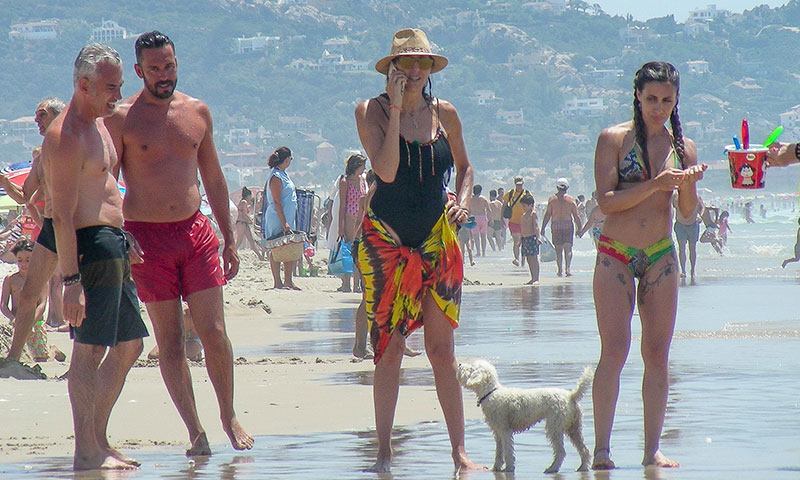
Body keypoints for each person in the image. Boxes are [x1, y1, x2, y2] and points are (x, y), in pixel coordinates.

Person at [104, 31, 252, 456]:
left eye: (169, 66)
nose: (164, 75)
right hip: (146, 240)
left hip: (196, 232)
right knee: (169, 342)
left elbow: (215, 178)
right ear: (139, 71)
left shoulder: (197, 111)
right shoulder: (122, 117)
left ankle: (228, 415)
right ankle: (195, 432)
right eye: (154, 69)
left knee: (214, 331)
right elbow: (108, 182)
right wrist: (120, 233)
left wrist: (228, 236)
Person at [354, 28, 482, 473]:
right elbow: (386, 172)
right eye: (405, 63)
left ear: (430, 70)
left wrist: (463, 203)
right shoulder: (370, 111)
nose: (413, 71)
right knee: (389, 349)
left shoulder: (445, 114)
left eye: (421, 63)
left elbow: (466, 169)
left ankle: (459, 452)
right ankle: (384, 452)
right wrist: (393, 108)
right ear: (390, 68)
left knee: (441, 350)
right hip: (386, 241)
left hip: (437, 240)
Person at [591, 61, 705, 470]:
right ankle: (602, 449)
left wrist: (688, 183)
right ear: (637, 96)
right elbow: (606, 201)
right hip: (615, 253)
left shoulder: (682, 147)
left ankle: (651, 447)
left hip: (660, 254)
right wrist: (656, 184)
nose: (658, 107)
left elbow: (688, 215)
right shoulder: (613, 139)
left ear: (676, 101)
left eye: (667, 100)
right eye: (651, 98)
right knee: (615, 351)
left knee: (657, 354)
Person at [46, 43, 150, 470]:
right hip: (88, 249)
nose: (118, 96)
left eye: (121, 87)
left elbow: (106, 191)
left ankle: (98, 438)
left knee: (130, 344)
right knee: (88, 350)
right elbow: (63, 217)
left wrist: (125, 234)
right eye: (111, 88)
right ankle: (85, 450)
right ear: (84, 85)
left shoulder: (101, 126)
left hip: (113, 243)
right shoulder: (66, 137)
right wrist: (70, 283)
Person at [0, 97, 68, 336]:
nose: (37, 120)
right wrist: (6, 183)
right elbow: (25, 197)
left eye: (42, 115)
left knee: (69, 284)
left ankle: (61, 326)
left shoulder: (74, 146)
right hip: (51, 226)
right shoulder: (41, 155)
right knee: (35, 288)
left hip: (73, 225)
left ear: (57, 116)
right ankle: (15, 356)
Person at [0, 239, 64, 362]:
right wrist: (13, 318)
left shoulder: (41, 280)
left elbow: (42, 304)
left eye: (28, 260)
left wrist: (31, 322)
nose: (23, 264)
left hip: (36, 324)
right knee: (17, 355)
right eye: (20, 260)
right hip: (17, 323)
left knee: (41, 358)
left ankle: (52, 351)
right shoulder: (11, 280)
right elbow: (3, 305)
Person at [262, 146, 299, 290]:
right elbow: (277, 201)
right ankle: (277, 281)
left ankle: (288, 280)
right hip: (278, 217)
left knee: (290, 246)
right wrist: (284, 223)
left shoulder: (283, 174)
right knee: (276, 247)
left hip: (288, 216)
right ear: (287, 159)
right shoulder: (276, 176)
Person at [337, 154, 367, 293]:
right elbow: (342, 205)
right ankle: (347, 283)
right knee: (349, 249)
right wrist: (340, 226)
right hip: (349, 217)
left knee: (358, 251)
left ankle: (357, 284)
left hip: (360, 217)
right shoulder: (345, 181)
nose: (364, 168)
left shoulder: (362, 180)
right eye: (362, 165)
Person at [541, 178, 582, 277]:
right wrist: (579, 228)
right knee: (568, 249)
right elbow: (576, 216)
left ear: (557, 187)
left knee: (558, 249)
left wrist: (543, 228)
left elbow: (548, 214)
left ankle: (559, 270)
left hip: (555, 225)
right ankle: (567, 269)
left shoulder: (552, 199)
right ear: (567, 187)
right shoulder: (571, 200)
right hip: (568, 224)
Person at [672, 194, 703, 285]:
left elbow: (702, 208)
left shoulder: (696, 196)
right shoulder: (675, 196)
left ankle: (692, 271)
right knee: (681, 248)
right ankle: (683, 270)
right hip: (680, 224)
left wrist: (700, 216)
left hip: (693, 225)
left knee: (692, 248)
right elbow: (669, 207)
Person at [503, 176, 531, 266]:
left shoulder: (527, 193)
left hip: (524, 222)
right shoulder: (510, 193)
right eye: (517, 184)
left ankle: (523, 261)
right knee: (516, 241)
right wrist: (501, 218)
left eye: (520, 184)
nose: (519, 186)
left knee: (524, 242)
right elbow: (504, 206)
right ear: (515, 184)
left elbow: (531, 206)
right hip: (513, 221)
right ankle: (516, 259)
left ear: (523, 184)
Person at [234, 187, 264, 261]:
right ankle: (232, 254)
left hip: (244, 223)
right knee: (239, 241)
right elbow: (244, 214)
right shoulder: (244, 202)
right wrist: (250, 220)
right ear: (248, 196)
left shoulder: (243, 202)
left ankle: (260, 257)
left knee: (251, 241)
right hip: (241, 223)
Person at [519, 195, 540, 285]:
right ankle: (532, 277)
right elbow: (522, 228)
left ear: (531, 205)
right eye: (522, 206)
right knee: (528, 259)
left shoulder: (533, 214)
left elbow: (536, 226)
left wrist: (538, 237)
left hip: (532, 238)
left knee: (534, 258)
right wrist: (520, 239)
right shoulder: (524, 215)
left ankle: (536, 278)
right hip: (525, 239)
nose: (523, 208)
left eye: (524, 206)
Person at [468, 185, 491, 257]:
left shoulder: (470, 200)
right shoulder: (483, 199)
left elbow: (468, 210)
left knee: (476, 237)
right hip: (483, 218)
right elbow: (488, 210)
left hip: (474, 218)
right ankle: (483, 252)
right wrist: (491, 219)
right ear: (480, 191)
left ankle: (478, 252)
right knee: (483, 236)